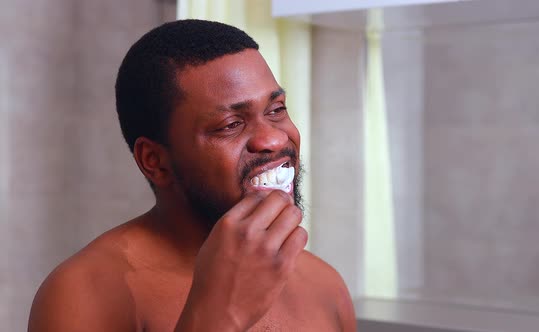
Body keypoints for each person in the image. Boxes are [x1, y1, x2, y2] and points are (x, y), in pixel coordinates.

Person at [28, 19, 356, 331]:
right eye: (231, 125)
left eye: (276, 110)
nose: (273, 139)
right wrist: (217, 316)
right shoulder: (85, 293)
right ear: (155, 161)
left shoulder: (326, 286)